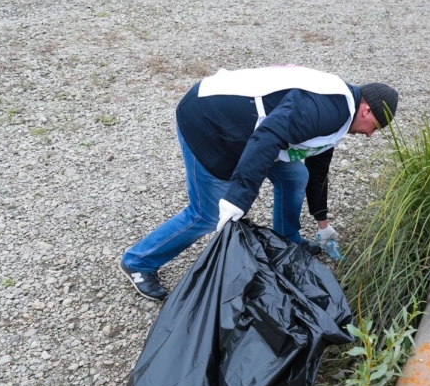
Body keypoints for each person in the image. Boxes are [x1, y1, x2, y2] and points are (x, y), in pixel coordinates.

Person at [118, 65, 399, 301]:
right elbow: (269, 134)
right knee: (207, 214)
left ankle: (286, 240)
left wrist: (322, 222)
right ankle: (139, 261)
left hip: (252, 129)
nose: (371, 135)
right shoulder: (328, 109)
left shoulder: (342, 113)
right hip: (208, 119)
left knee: (296, 176)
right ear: (367, 110)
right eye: (376, 127)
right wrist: (238, 198)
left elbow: (317, 169)